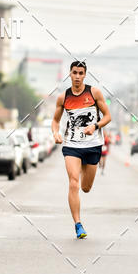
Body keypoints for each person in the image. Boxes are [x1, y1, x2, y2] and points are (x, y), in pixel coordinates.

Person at [52, 61, 112, 239]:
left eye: (80, 73)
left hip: (93, 145)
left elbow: (108, 116)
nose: (77, 76)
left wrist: (95, 126)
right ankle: (78, 224)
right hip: (72, 145)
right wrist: (55, 133)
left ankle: (84, 168)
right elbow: (55, 120)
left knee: (86, 188)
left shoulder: (94, 93)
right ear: (70, 74)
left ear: (85, 75)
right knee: (73, 183)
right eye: (74, 73)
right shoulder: (63, 97)